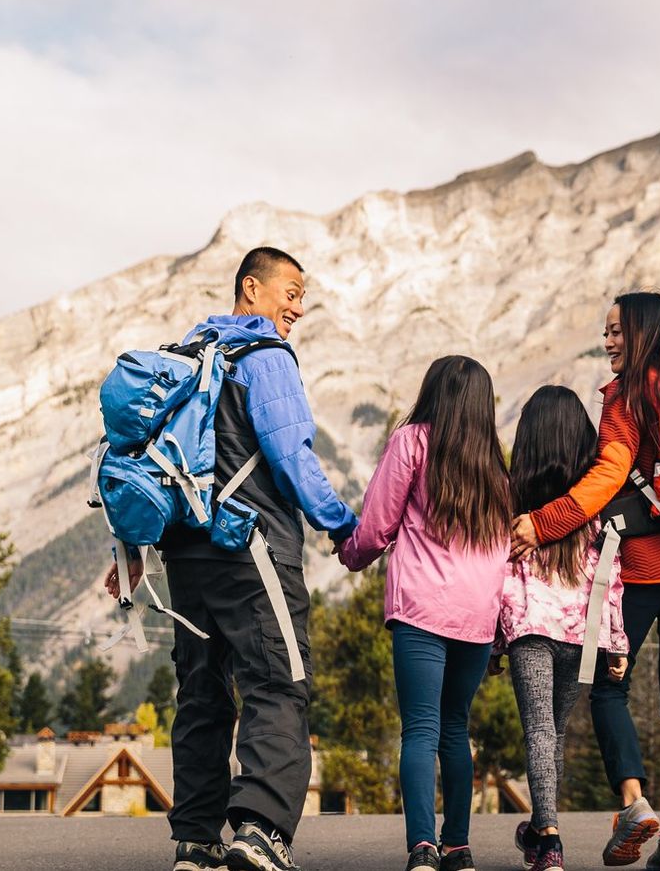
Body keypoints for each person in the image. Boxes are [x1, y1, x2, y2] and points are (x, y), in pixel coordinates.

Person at [105, 247, 357, 871]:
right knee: (278, 683)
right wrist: (345, 528)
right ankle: (261, 831)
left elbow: (144, 461)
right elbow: (291, 455)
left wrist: (132, 551)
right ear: (252, 288)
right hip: (251, 548)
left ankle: (196, 840)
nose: (299, 307)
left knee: (201, 691)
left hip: (184, 556)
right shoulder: (265, 358)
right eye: (290, 292)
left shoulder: (189, 356)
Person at [510, 292, 660, 871]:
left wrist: (543, 521)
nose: (608, 342)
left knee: (608, 686)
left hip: (638, 568)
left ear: (642, 333)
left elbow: (607, 476)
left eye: (616, 332)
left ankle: (633, 803)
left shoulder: (627, 398)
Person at [338, 355, 513, 871]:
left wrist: (351, 555)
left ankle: (422, 848)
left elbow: (376, 524)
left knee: (419, 728)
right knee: (456, 729)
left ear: (433, 392)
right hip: (478, 618)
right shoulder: (494, 466)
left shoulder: (413, 441)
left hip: (421, 610)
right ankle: (458, 847)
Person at [495, 386, 631, 871]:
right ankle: (540, 830)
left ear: (529, 436)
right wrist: (617, 642)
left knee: (539, 731)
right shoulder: (590, 504)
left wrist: (496, 641)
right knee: (555, 732)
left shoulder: (512, 500)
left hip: (531, 629)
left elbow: (501, 575)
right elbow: (610, 573)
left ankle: (548, 838)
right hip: (582, 634)